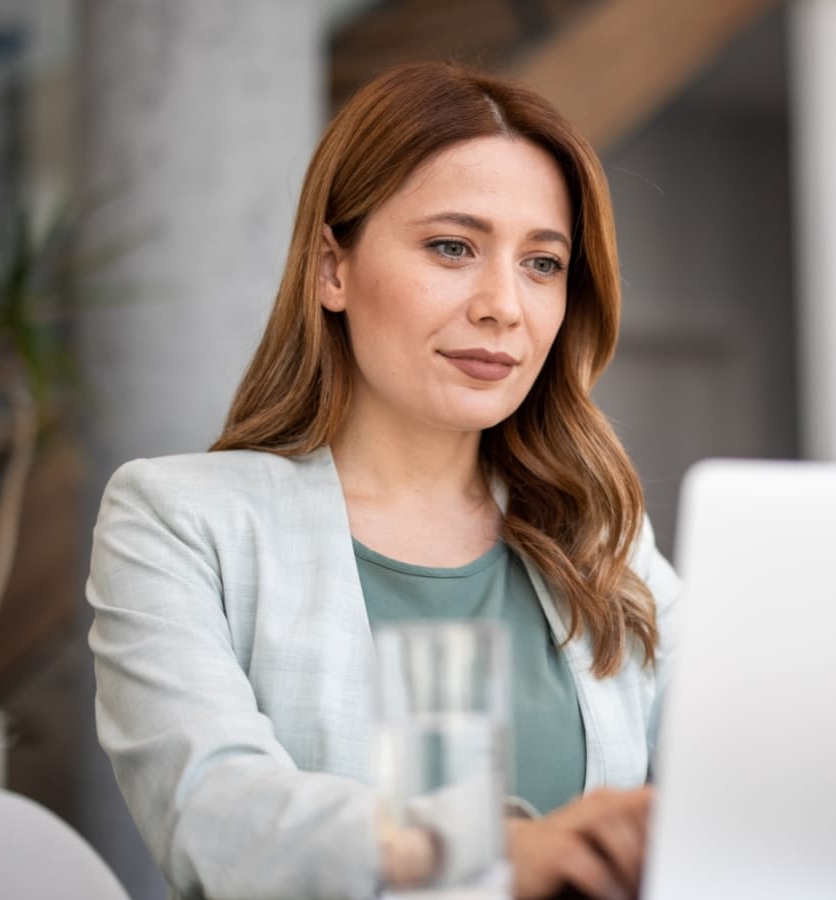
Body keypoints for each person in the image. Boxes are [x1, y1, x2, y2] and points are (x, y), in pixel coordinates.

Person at [86, 61, 679, 900]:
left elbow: (734, 758)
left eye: (543, 263)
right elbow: (213, 808)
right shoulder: (179, 520)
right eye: (452, 247)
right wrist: (498, 853)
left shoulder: (598, 534)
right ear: (333, 269)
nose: (504, 305)